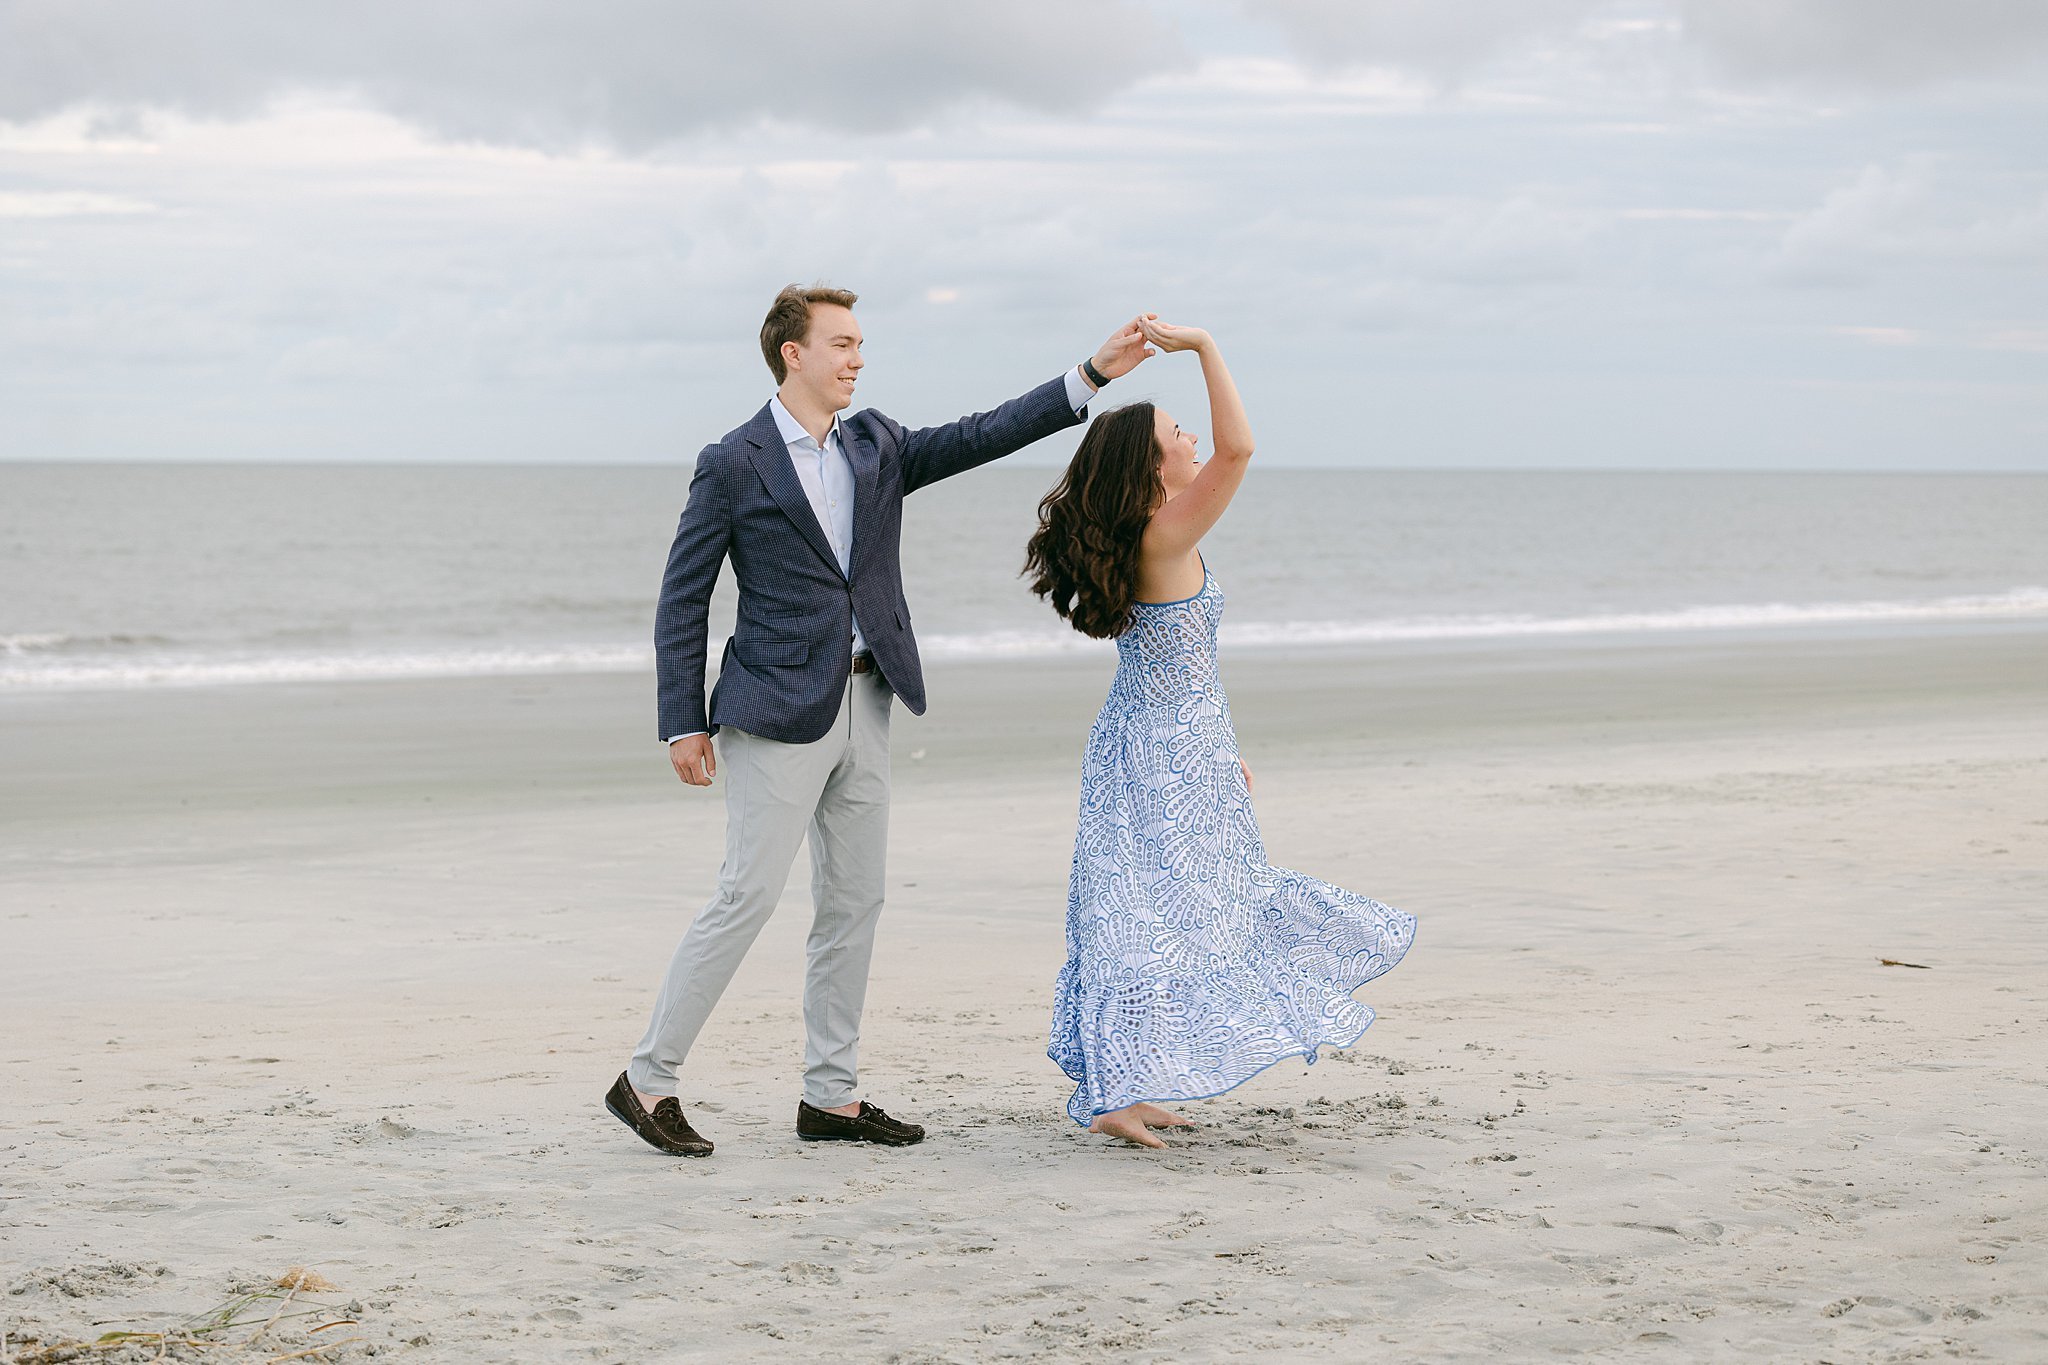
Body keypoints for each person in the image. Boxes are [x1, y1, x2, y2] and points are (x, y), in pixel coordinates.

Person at [604, 283, 1155, 1157]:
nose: (858, 357)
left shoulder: (876, 444)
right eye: (842, 343)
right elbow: (685, 595)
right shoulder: (734, 461)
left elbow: (979, 435)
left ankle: (831, 1097)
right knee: (746, 895)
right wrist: (683, 721)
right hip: (773, 710)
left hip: (868, 696)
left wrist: (1088, 375)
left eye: (860, 344)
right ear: (794, 353)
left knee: (855, 901)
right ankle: (647, 1079)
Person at [1025, 317, 1417, 1148]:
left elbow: (1174, 664)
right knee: (1155, 913)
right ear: (1151, 465)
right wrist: (1204, 347)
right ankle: (1114, 1094)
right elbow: (1240, 451)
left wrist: (1215, 750)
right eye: (1176, 432)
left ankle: (1127, 1086)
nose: (1193, 437)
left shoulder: (1153, 535)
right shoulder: (1163, 535)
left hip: (1159, 741)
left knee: (1152, 910)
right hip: (1162, 749)